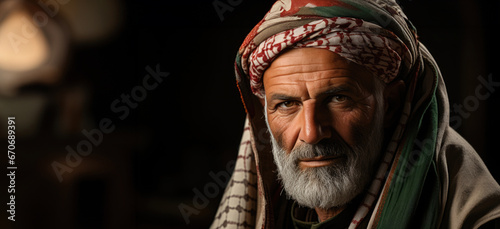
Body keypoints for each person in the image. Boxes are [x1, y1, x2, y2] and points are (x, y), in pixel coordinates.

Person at [211, 0, 500, 228]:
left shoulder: (476, 220)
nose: (311, 133)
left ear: (392, 103)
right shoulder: (274, 211)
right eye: (287, 105)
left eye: (338, 98)